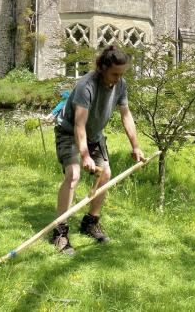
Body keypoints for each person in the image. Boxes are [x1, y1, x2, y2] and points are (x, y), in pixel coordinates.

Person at [50, 45, 145, 255]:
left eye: (122, 74)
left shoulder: (121, 85)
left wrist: (136, 146)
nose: (118, 78)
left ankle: (90, 222)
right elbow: (79, 125)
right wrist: (84, 156)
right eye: (114, 74)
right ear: (102, 67)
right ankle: (59, 232)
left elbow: (126, 115)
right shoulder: (86, 85)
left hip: (94, 136)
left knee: (106, 175)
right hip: (69, 132)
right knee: (73, 175)